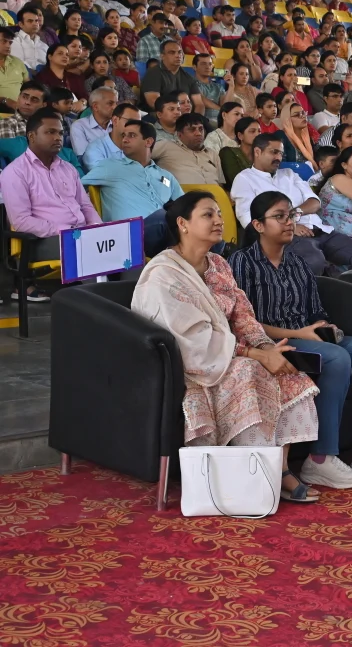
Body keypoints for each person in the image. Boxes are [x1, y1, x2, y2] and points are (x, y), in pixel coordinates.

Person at [132, 192, 321, 503]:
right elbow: (190, 339)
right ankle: (253, 477)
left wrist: (267, 348)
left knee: (288, 371)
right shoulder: (164, 274)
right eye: (208, 215)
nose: (219, 220)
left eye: (219, 214)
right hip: (190, 364)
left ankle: (280, 470)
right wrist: (254, 354)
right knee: (249, 372)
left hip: (230, 351)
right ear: (183, 224)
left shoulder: (218, 264)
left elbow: (242, 315)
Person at [230, 191, 352, 489]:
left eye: (291, 215)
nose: (289, 222)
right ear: (258, 225)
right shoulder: (242, 263)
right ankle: (320, 459)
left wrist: (325, 326)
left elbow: (315, 311)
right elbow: (245, 323)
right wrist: (302, 334)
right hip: (274, 346)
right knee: (336, 358)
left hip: (309, 336)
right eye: (279, 216)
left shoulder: (298, 263)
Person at [230, 131, 352, 277]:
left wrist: (294, 215)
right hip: (289, 237)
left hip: (320, 230)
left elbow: (315, 202)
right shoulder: (244, 179)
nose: (279, 157)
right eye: (274, 152)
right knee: (314, 261)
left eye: (281, 153)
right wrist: (289, 227)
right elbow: (249, 221)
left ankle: (345, 287)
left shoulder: (289, 174)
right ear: (257, 152)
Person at [0, 109, 101, 300]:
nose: (58, 138)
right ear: (31, 136)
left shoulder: (68, 168)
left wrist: (98, 229)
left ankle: (135, 309)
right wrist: (67, 232)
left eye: (60, 133)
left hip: (79, 235)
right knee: (89, 251)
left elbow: (85, 206)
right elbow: (21, 221)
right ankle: (99, 310)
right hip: (40, 242)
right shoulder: (15, 172)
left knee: (128, 249)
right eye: (50, 132)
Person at [81, 120, 183, 255]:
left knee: (200, 226)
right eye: (123, 135)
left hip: (162, 231)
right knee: (163, 218)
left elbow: (186, 206)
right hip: (127, 235)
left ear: (148, 142)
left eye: (132, 135)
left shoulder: (166, 176)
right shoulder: (110, 166)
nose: (124, 140)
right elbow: (76, 187)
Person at [153, 112, 225, 186]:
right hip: (182, 192)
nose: (198, 133)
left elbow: (221, 184)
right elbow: (144, 158)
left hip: (215, 192)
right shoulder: (166, 146)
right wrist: (163, 182)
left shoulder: (212, 154)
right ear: (179, 134)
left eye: (201, 129)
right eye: (192, 129)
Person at [69, 86, 118, 161]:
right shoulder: (79, 126)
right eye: (110, 103)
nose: (115, 107)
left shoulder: (119, 124)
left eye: (116, 103)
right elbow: (86, 159)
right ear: (95, 106)